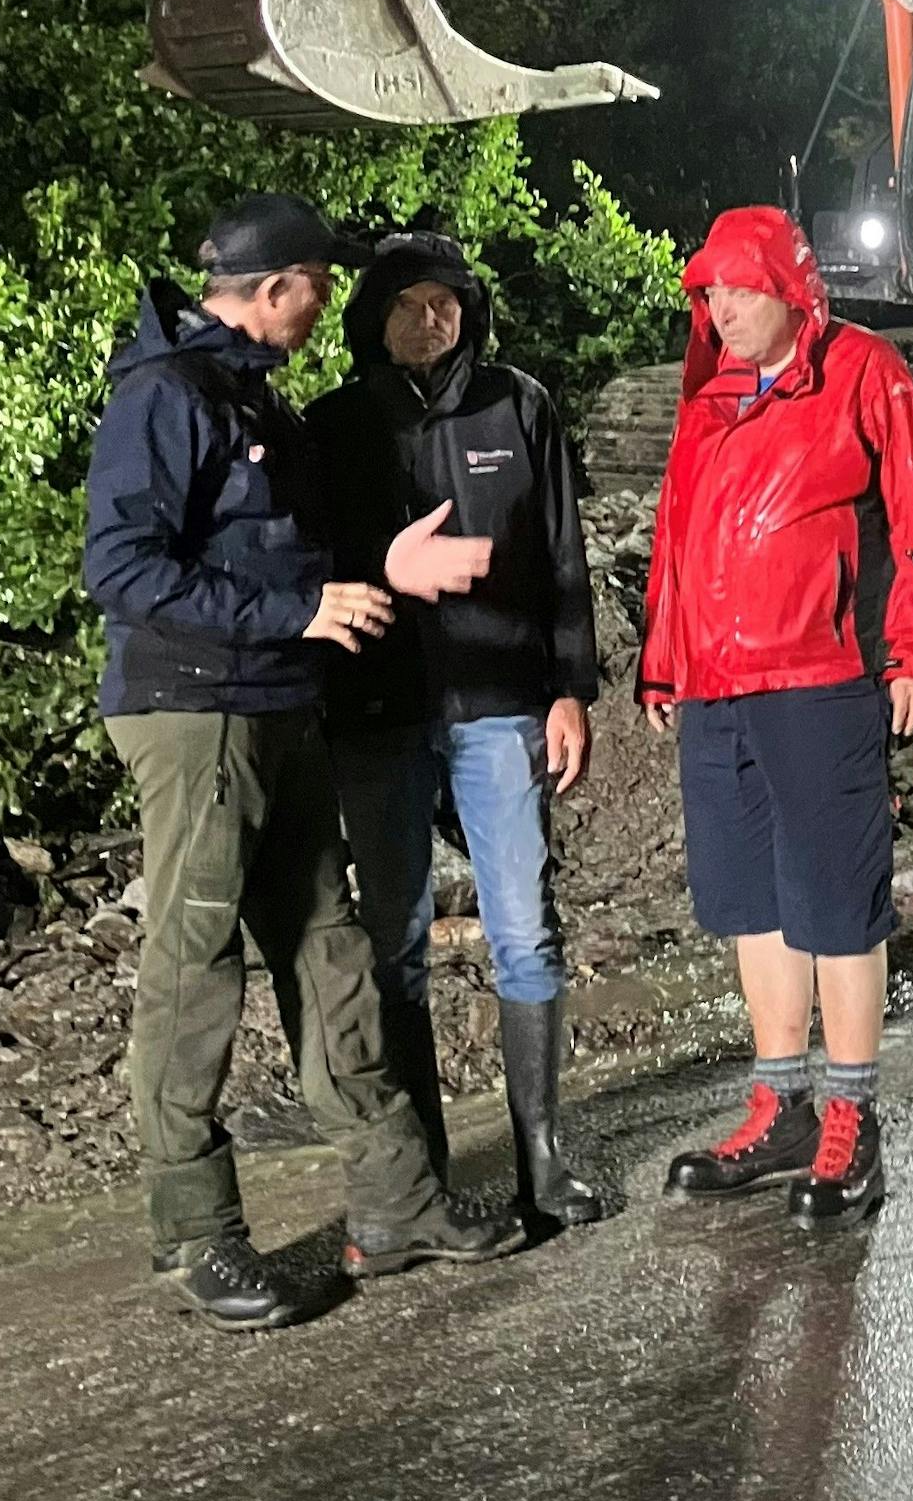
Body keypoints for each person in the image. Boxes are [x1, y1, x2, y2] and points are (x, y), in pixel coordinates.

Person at [84, 195, 518, 1331]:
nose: (330, 304)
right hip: (197, 717)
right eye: (321, 285)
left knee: (329, 954)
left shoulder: (242, 391)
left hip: (274, 707)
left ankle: (399, 1201)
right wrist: (298, 604)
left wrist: (379, 563)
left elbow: (274, 556)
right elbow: (123, 566)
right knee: (196, 966)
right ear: (276, 286)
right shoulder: (165, 396)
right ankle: (194, 1235)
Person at [639, 206, 913, 1232]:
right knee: (750, 901)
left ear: (790, 288)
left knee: (832, 898)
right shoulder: (708, 400)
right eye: (709, 293)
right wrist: (662, 663)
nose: (722, 309)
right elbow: (677, 539)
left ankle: (852, 1118)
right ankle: (779, 1104)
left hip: (821, 673)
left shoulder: (860, 369)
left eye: (740, 288)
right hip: (718, 684)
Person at [307, 230, 602, 1226]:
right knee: (393, 940)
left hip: (500, 707)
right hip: (377, 714)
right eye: (408, 304)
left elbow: (562, 555)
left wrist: (570, 688)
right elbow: (305, 570)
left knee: (525, 927)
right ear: (372, 318)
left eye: (446, 303)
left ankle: (542, 1160)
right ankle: (423, 1176)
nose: (430, 319)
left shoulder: (517, 406)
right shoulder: (335, 426)